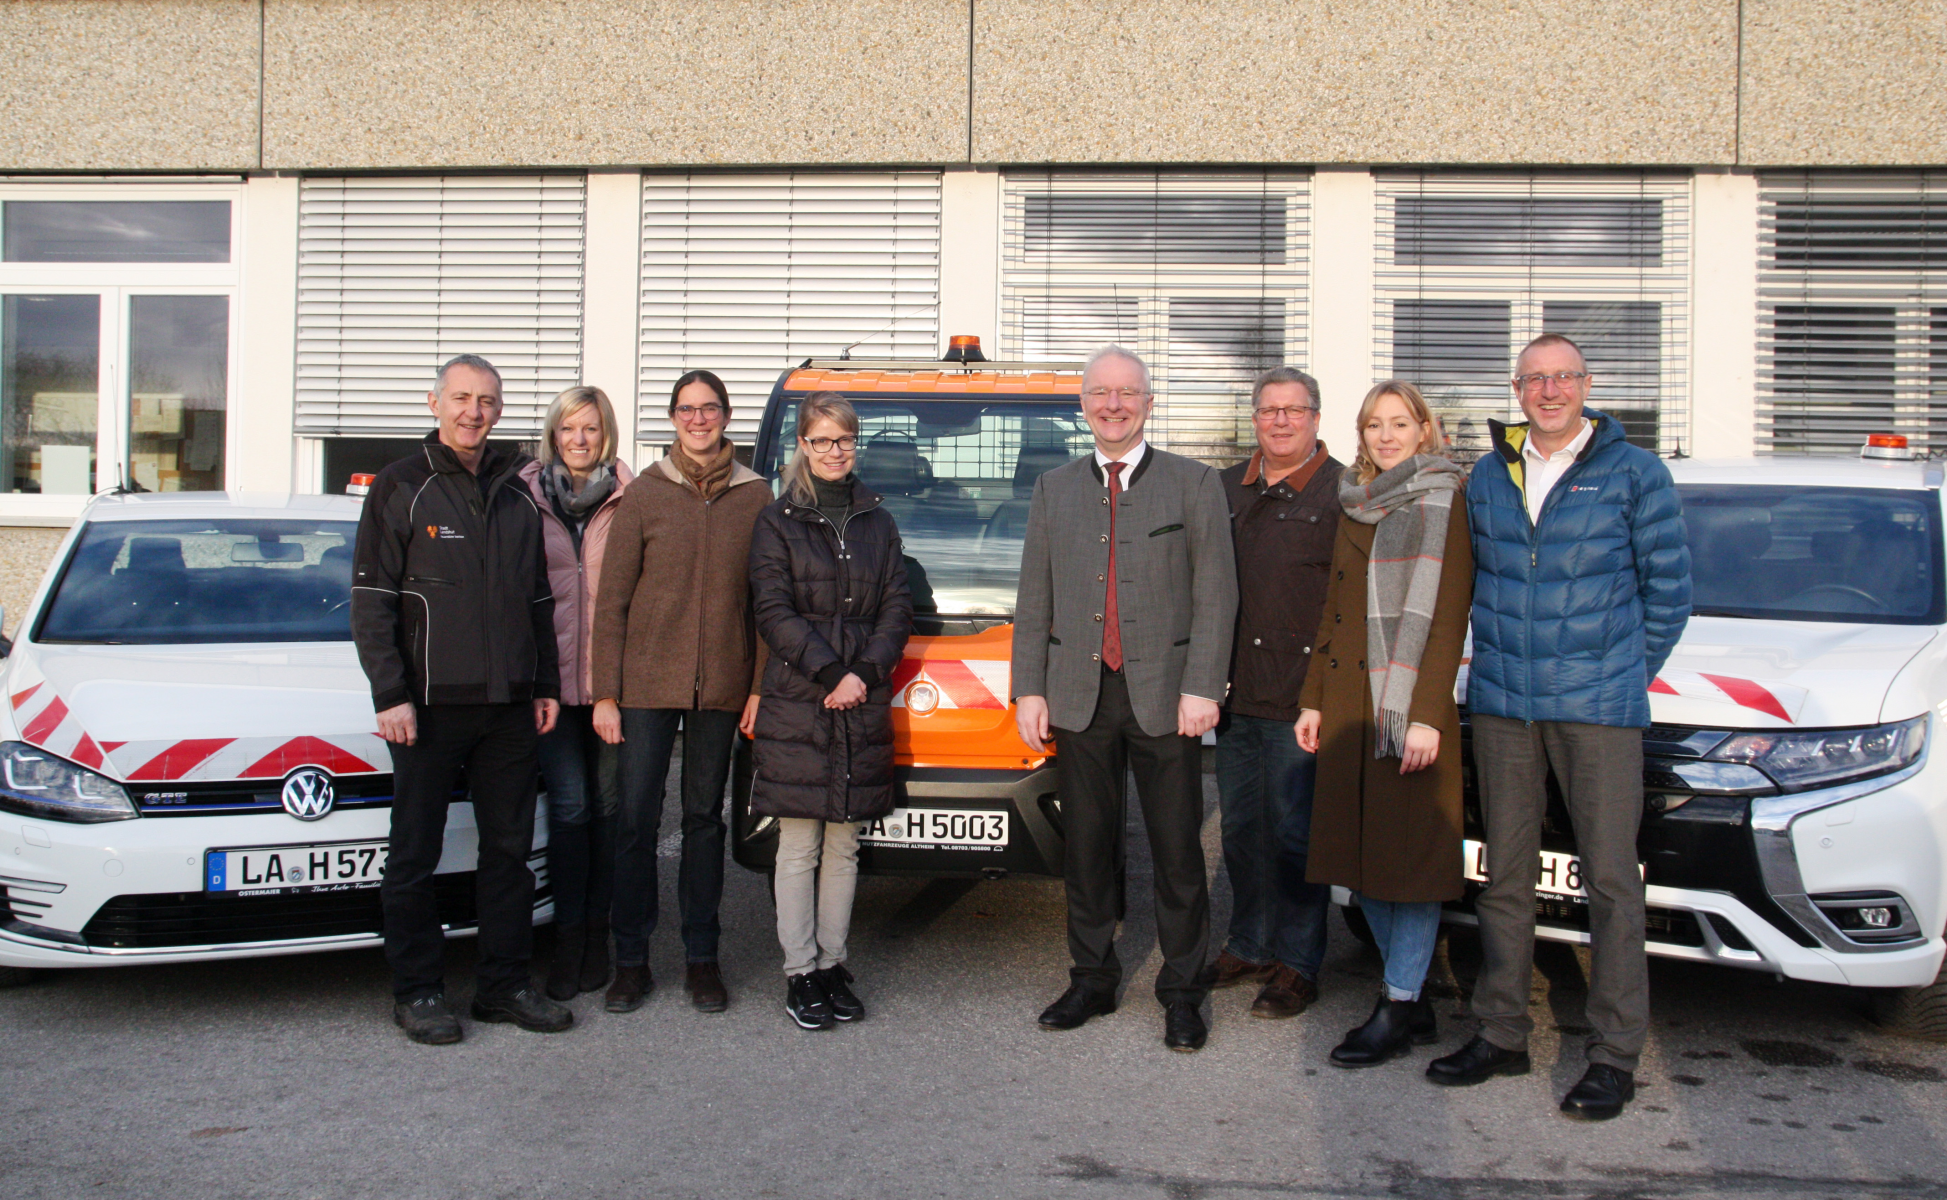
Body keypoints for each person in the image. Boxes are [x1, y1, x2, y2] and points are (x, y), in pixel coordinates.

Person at [1427, 333, 1690, 1120]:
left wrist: (1615, 677)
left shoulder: (1635, 473)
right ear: (1516, 389)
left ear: (1585, 384)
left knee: (1610, 881)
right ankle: (1501, 1033)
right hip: (1505, 702)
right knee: (1503, 876)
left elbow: (1669, 594)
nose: (1548, 391)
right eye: (1534, 379)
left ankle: (1613, 1055)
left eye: (1562, 378)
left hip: (1597, 711)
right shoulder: (1488, 474)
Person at [1013, 344, 1238, 1053]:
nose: (1113, 404)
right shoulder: (1053, 488)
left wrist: (1203, 685)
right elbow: (1033, 597)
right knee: (1087, 847)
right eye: (1099, 393)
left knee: (1176, 849)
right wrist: (1027, 690)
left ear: (1148, 402)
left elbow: (1216, 595)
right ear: (1083, 404)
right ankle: (1091, 977)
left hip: (1167, 697)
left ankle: (1181, 988)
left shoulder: (1194, 484)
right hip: (1079, 694)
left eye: (1126, 393)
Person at [351, 353, 569, 1045]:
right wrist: (390, 692)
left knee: (505, 852)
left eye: (487, 401)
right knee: (413, 852)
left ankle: (502, 985)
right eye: (462, 398)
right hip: (428, 705)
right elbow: (372, 599)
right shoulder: (399, 486)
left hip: (507, 704)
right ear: (434, 402)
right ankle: (417, 991)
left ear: (500, 411)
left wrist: (541, 685)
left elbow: (537, 595)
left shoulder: (514, 492)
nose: (474, 412)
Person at [1295, 381, 1473, 1067]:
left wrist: (1427, 714)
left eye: (1401, 423)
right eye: (1374, 424)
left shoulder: (1443, 500)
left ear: (1424, 429)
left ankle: (1398, 1003)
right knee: (1357, 863)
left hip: (1406, 711)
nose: (1387, 435)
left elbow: (1449, 614)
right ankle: (1414, 994)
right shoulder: (1354, 501)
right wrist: (1312, 698)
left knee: (1407, 866)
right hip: (1346, 702)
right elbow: (1334, 609)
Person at [590, 370, 770, 1014]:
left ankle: (702, 958)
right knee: (636, 821)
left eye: (710, 409)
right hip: (644, 686)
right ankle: (631, 961)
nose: (699, 420)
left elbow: (765, 603)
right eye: (687, 410)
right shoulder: (643, 493)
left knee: (703, 822)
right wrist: (605, 693)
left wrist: (755, 688)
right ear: (672, 418)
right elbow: (611, 603)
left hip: (722, 686)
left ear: (726, 417)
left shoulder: (756, 496)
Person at [746, 391, 913, 1030]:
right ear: (803, 447)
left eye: (844, 440)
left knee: (845, 843)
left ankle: (833, 964)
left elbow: (896, 606)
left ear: (855, 443)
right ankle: (799, 973)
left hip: (859, 697)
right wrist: (830, 673)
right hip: (801, 699)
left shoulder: (879, 520)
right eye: (821, 441)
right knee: (799, 846)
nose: (834, 451)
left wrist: (865, 674)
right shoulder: (777, 520)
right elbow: (773, 611)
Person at [1210, 367, 1343, 1021]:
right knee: (1240, 830)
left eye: (1294, 410)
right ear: (1254, 418)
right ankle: (1249, 942)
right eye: (1269, 410)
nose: (1281, 421)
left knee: (1296, 838)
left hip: (1303, 700)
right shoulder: (1223, 490)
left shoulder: (1344, 491)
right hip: (1237, 694)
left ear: (1316, 418)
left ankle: (1297, 962)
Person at [519, 385, 633, 1003]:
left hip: (613, 686)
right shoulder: (526, 498)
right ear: (554, 435)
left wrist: (619, 684)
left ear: (606, 433)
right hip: (552, 688)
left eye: (590, 428)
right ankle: (568, 943)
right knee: (570, 811)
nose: (580, 440)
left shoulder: (629, 497)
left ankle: (600, 938)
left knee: (609, 812)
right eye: (568, 429)